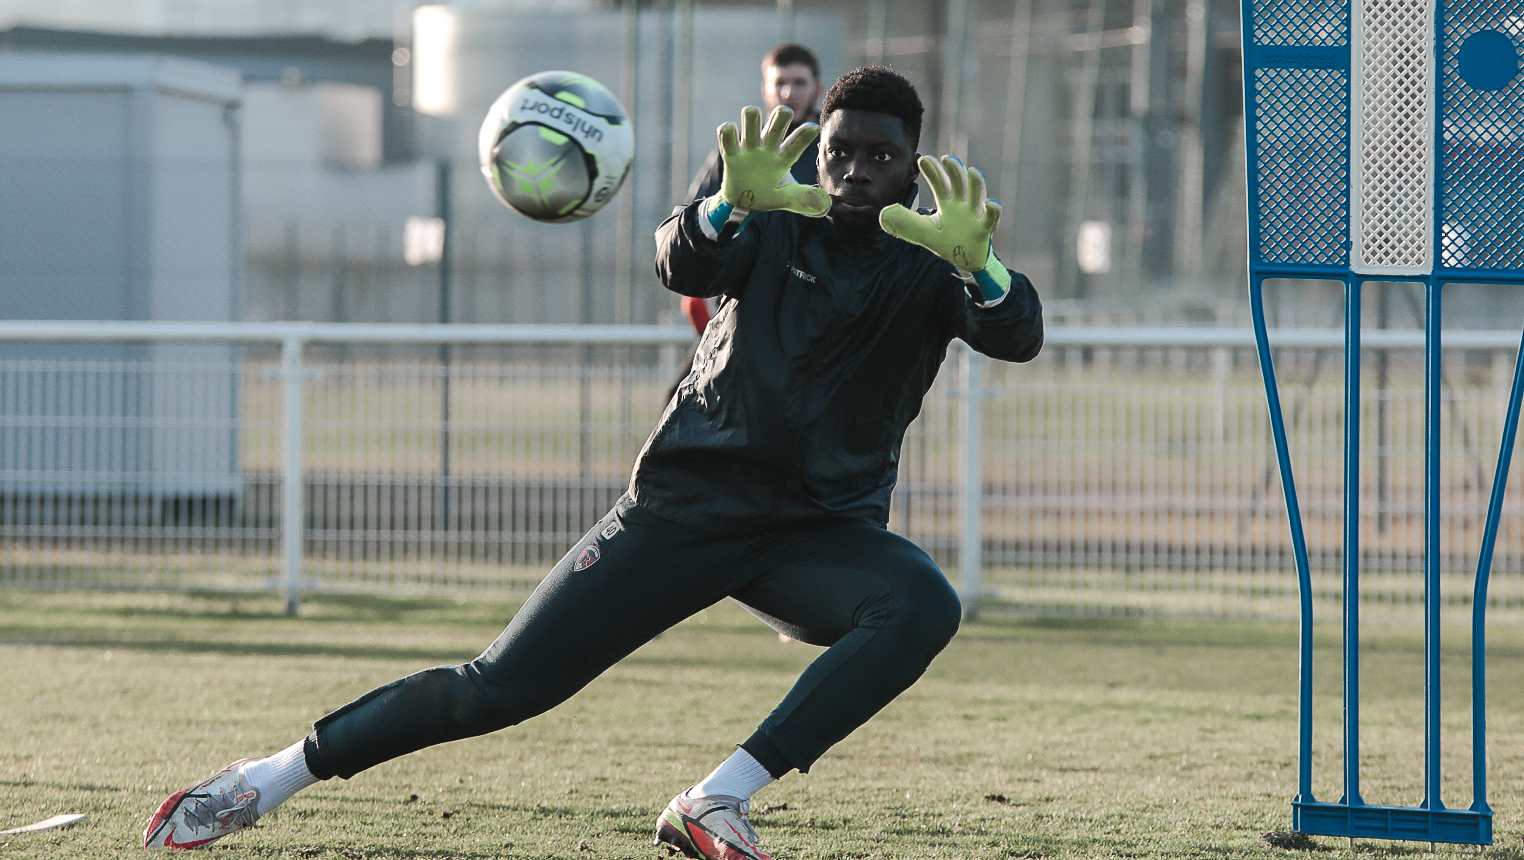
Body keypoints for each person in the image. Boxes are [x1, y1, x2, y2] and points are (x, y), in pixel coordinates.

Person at [143, 66, 1043, 858]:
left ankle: (714, 801)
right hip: (685, 510)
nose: (853, 170)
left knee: (922, 602)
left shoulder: (934, 261)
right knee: (493, 691)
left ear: (913, 167)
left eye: (879, 157)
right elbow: (680, 260)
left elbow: (1020, 336)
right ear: (818, 154)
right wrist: (728, 202)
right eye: (839, 151)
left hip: (816, 536)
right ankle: (263, 780)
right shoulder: (772, 219)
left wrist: (987, 271)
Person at [681, 43, 824, 333]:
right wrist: (693, 290)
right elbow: (695, 218)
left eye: (799, 83)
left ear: (817, 89)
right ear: (764, 89)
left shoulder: (838, 152)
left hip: (816, 304)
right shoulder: (738, 152)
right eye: (780, 83)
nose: (788, 93)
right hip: (742, 303)